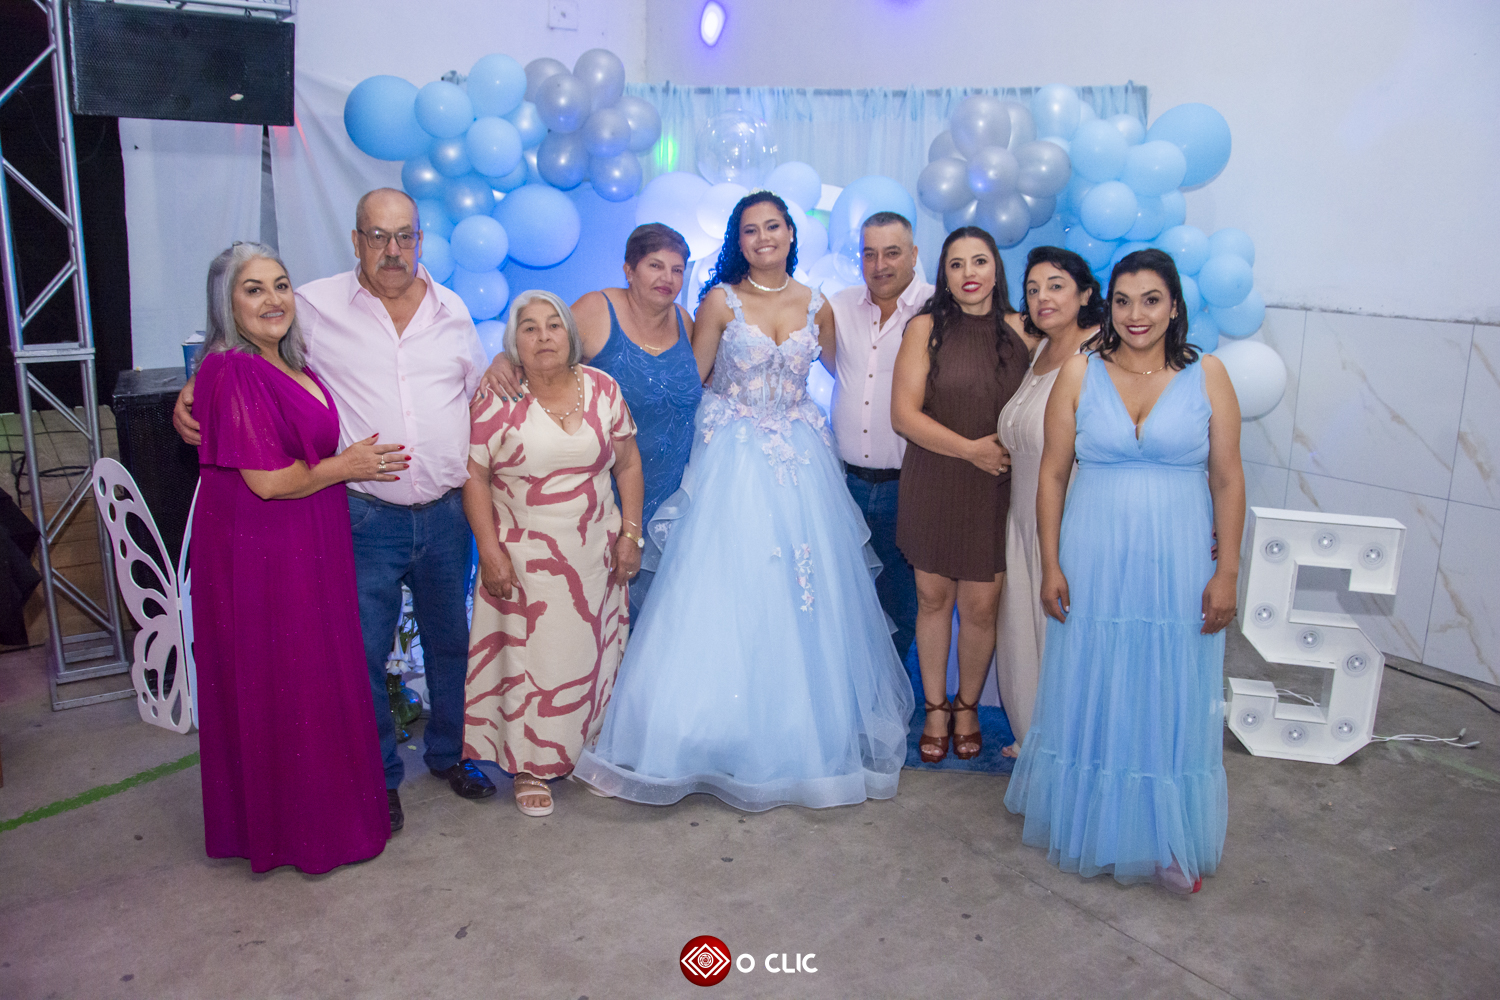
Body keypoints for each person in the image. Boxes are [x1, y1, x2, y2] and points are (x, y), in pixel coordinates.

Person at [573, 191, 915, 811]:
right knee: (726, 590)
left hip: (803, 462)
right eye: (751, 230)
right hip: (732, 456)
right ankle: (707, 734)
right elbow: (692, 378)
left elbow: (850, 374)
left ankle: (796, 732)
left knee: (803, 594)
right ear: (740, 240)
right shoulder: (719, 302)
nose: (763, 238)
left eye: (773, 226)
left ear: (791, 234)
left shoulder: (819, 304)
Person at [175, 189, 499, 833]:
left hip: (445, 514)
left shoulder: (454, 311)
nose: (392, 250)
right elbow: (240, 344)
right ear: (356, 241)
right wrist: (191, 391)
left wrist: (512, 363)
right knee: (360, 653)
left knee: (451, 645)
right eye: (378, 236)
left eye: (405, 236)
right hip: (362, 517)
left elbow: (476, 392)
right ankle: (378, 777)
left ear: (421, 241)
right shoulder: (313, 305)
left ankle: (451, 754)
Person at [1004, 248, 1245, 894]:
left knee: (1169, 688)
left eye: (1151, 300)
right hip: (1093, 555)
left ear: (1174, 307)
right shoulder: (1080, 372)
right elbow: (1052, 476)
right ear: (1107, 306)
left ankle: (1165, 837)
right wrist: (1051, 563)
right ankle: (1096, 824)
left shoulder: (1209, 375)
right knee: (1097, 681)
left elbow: (1228, 478)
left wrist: (1228, 573)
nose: (1136, 314)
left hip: (1179, 559)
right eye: (1123, 300)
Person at [191, 242, 405, 872]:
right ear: (226, 303)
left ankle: (317, 815)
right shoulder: (233, 370)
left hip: (308, 536)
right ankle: (296, 830)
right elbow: (268, 481)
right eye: (253, 289)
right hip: (265, 551)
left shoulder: (287, 361)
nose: (272, 299)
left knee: (310, 677)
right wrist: (349, 465)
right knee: (287, 677)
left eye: (280, 285)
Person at [463, 291, 644, 818]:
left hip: (596, 556)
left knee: (595, 658)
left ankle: (590, 753)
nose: (543, 336)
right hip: (523, 562)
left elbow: (628, 464)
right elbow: (473, 477)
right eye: (530, 328)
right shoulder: (496, 398)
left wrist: (630, 535)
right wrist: (488, 551)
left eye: (554, 325)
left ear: (571, 335)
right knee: (536, 665)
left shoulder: (604, 389)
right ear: (513, 343)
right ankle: (531, 765)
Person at [485, 224, 700, 620]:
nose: (667, 278)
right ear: (629, 270)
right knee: (601, 614)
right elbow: (542, 343)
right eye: (655, 265)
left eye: (677, 269)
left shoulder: (685, 322)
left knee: (665, 622)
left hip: (674, 499)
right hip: (609, 494)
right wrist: (503, 360)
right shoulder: (596, 310)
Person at [891, 226, 1031, 763]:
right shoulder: (924, 328)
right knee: (932, 600)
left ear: (997, 268)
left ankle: (967, 706)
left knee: (980, 606)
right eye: (956, 264)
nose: (969, 273)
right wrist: (971, 450)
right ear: (943, 275)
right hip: (935, 478)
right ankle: (934, 707)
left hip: (997, 488)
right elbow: (904, 416)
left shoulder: (1024, 331)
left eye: (979, 261)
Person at [989, 247, 1104, 756]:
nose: (1042, 298)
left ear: (1086, 294)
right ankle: (1037, 736)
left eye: (1056, 286)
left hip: (1070, 520)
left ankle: (1070, 745)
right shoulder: (1041, 351)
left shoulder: (1099, 357)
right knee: (1026, 632)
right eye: (1033, 289)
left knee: (1066, 636)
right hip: (1022, 517)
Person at [828, 211, 932, 666]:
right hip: (843, 484)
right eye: (869, 254)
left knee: (903, 604)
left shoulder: (938, 309)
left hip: (910, 486)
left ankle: (895, 700)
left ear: (914, 254)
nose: (880, 265)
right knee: (844, 601)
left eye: (892, 253)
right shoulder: (838, 306)